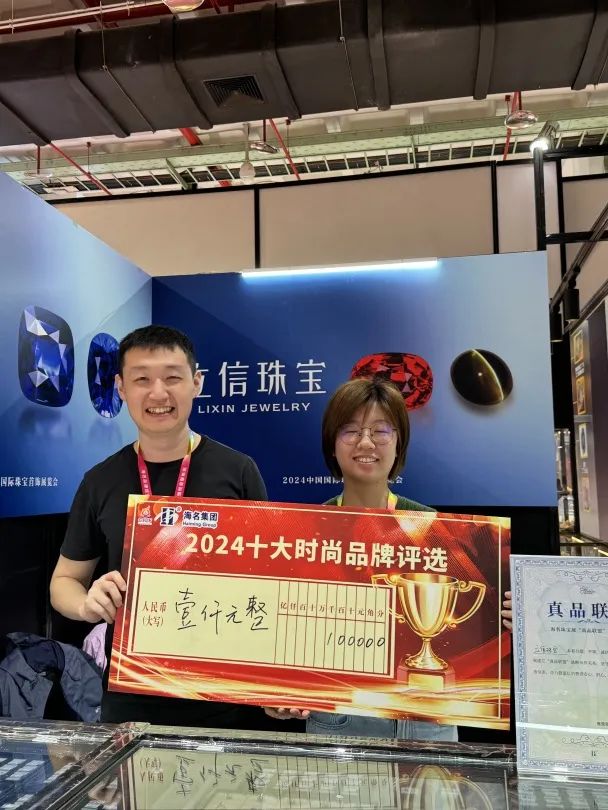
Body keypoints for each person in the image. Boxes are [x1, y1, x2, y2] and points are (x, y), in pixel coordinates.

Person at [266, 377, 513, 739]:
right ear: (332, 444)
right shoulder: (304, 534)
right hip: (338, 721)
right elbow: (284, 636)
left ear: (399, 444)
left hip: (429, 721)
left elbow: (476, 627)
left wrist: (506, 619)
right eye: (351, 431)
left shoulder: (435, 528)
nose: (366, 443)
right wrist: (275, 691)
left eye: (381, 431)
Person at [50, 325, 267, 727]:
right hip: (132, 699)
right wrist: (85, 604)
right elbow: (64, 581)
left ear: (196, 383)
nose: (158, 393)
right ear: (120, 387)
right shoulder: (100, 481)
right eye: (142, 379)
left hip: (225, 694)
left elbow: (270, 579)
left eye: (172, 377)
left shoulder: (238, 471)